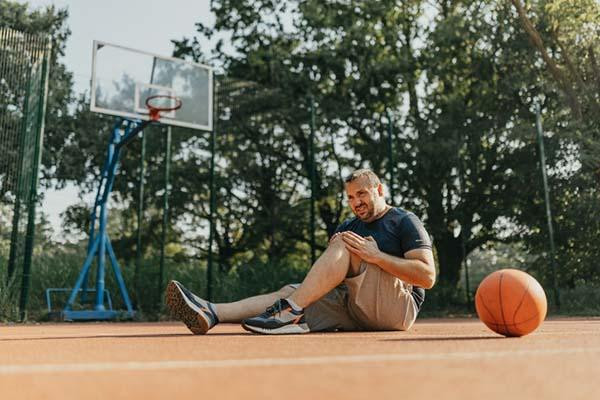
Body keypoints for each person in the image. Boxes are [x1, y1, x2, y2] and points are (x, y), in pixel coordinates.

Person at [165, 168, 436, 335]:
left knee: (345, 243)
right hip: (354, 307)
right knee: (292, 291)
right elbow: (332, 276)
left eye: (362, 194)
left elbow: (427, 277)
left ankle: (290, 312)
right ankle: (212, 312)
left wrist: (376, 256)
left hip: (398, 310)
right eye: (351, 197)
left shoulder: (403, 220)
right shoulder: (349, 224)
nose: (356, 202)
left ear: (379, 190)